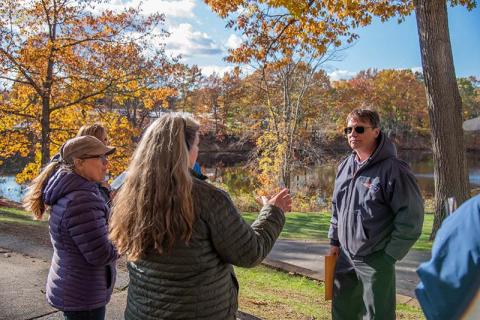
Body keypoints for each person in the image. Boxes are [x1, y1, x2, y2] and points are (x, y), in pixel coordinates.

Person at [109, 112, 291, 320]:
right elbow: (250, 252)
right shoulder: (208, 199)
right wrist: (273, 211)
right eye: (196, 145)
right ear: (182, 151)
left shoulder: (131, 195)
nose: (198, 151)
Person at [327, 108, 424, 319]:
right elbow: (337, 207)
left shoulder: (394, 169)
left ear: (376, 132)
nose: (353, 134)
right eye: (349, 129)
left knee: (378, 315)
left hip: (376, 258)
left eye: (359, 128)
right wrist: (334, 242)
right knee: (342, 312)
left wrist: (389, 256)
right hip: (344, 255)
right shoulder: (345, 166)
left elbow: (412, 217)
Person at [24, 135, 118, 320]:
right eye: (100, 158)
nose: (106, 164)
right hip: (84, 294)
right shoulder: (82, 199)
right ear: (79, 162)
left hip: (75, 286)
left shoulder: (72, 192)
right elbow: (102, 253)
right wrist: (127, 231)